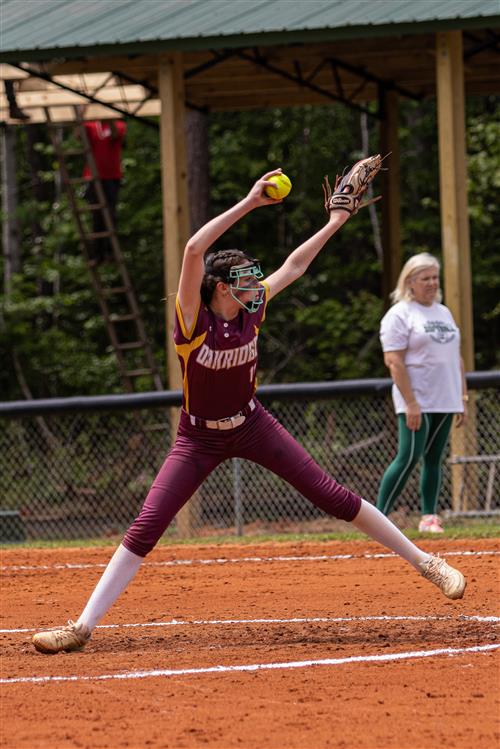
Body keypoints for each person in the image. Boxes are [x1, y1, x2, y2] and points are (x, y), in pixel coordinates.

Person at [32, 164, 466, 654]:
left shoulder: (253, 307)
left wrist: (335, 223)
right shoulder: (191, 322)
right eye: (244, 280)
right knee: (147, 526)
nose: (256, 284)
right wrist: (251, 201)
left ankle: (425, 562)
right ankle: (82, 627)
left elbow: (295, 267)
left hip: (252, 424)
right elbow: (194, 250)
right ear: (220, 288)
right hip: (197, 437)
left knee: (333, 496)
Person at [376, 252, 468, 533]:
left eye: (434, 277)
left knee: (433, 457)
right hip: (416, 397)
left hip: (445, 396)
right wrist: (411, 402)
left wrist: (462, 396)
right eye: (424, 278)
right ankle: (378, 518)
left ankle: (429, 517)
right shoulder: (400, 313)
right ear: (410, 282)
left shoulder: (443, 311)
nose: (431, 283)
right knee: (409, 456)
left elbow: (457, 357)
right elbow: (394, 361)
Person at [82, 118, 127, 264]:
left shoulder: (119, 125)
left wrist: (110, 117)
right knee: (96, 217)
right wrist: (82, 115)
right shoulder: (90, 125)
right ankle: (97, 255)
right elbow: (78, 136)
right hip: (94, 177)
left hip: (112, 177)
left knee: (110, 215)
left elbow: (115, 135)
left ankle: (110, 252)